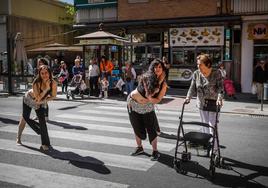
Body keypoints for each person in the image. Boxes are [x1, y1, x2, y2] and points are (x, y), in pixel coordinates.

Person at [127, 59, 168, 161]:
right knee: (136, 126)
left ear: (163, 69)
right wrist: (160, 80)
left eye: (160, 67)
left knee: (151, 128)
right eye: (155, 67)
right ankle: (139, 147)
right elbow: (149, 94)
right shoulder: (146, 77)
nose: (157, 69)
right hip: (133, 103)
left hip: (147, 107)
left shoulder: (164, 85)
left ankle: (155, 151)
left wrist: (161, 81)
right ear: (152, 68)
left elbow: (157, 99)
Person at [185, 54, 224, 150]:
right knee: (204, 127)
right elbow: (192, 87)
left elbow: (221, 88)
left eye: (200, 64)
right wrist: (188, 97)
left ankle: (214, 149)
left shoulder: (217, 73)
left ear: (208, 64)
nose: (198, 66)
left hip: (214, 103)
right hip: (201, 104)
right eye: (198, 64)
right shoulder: (196, 74)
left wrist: (219, 98)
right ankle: (206, 145)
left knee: (212, 126)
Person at [16, 65, 57, 151]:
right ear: (39, 74)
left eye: (46, 73)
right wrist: (46, 89)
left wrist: (44, 100)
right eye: (42, 73)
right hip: (29, 98)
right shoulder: (36, 82)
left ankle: (45, 144)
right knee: (24, 117)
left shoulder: (53, 83)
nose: (44, 75)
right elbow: (37, 98)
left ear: (49, 73)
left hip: (40, 101)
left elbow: (53, 96)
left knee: (42, 121)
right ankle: (18, 138)